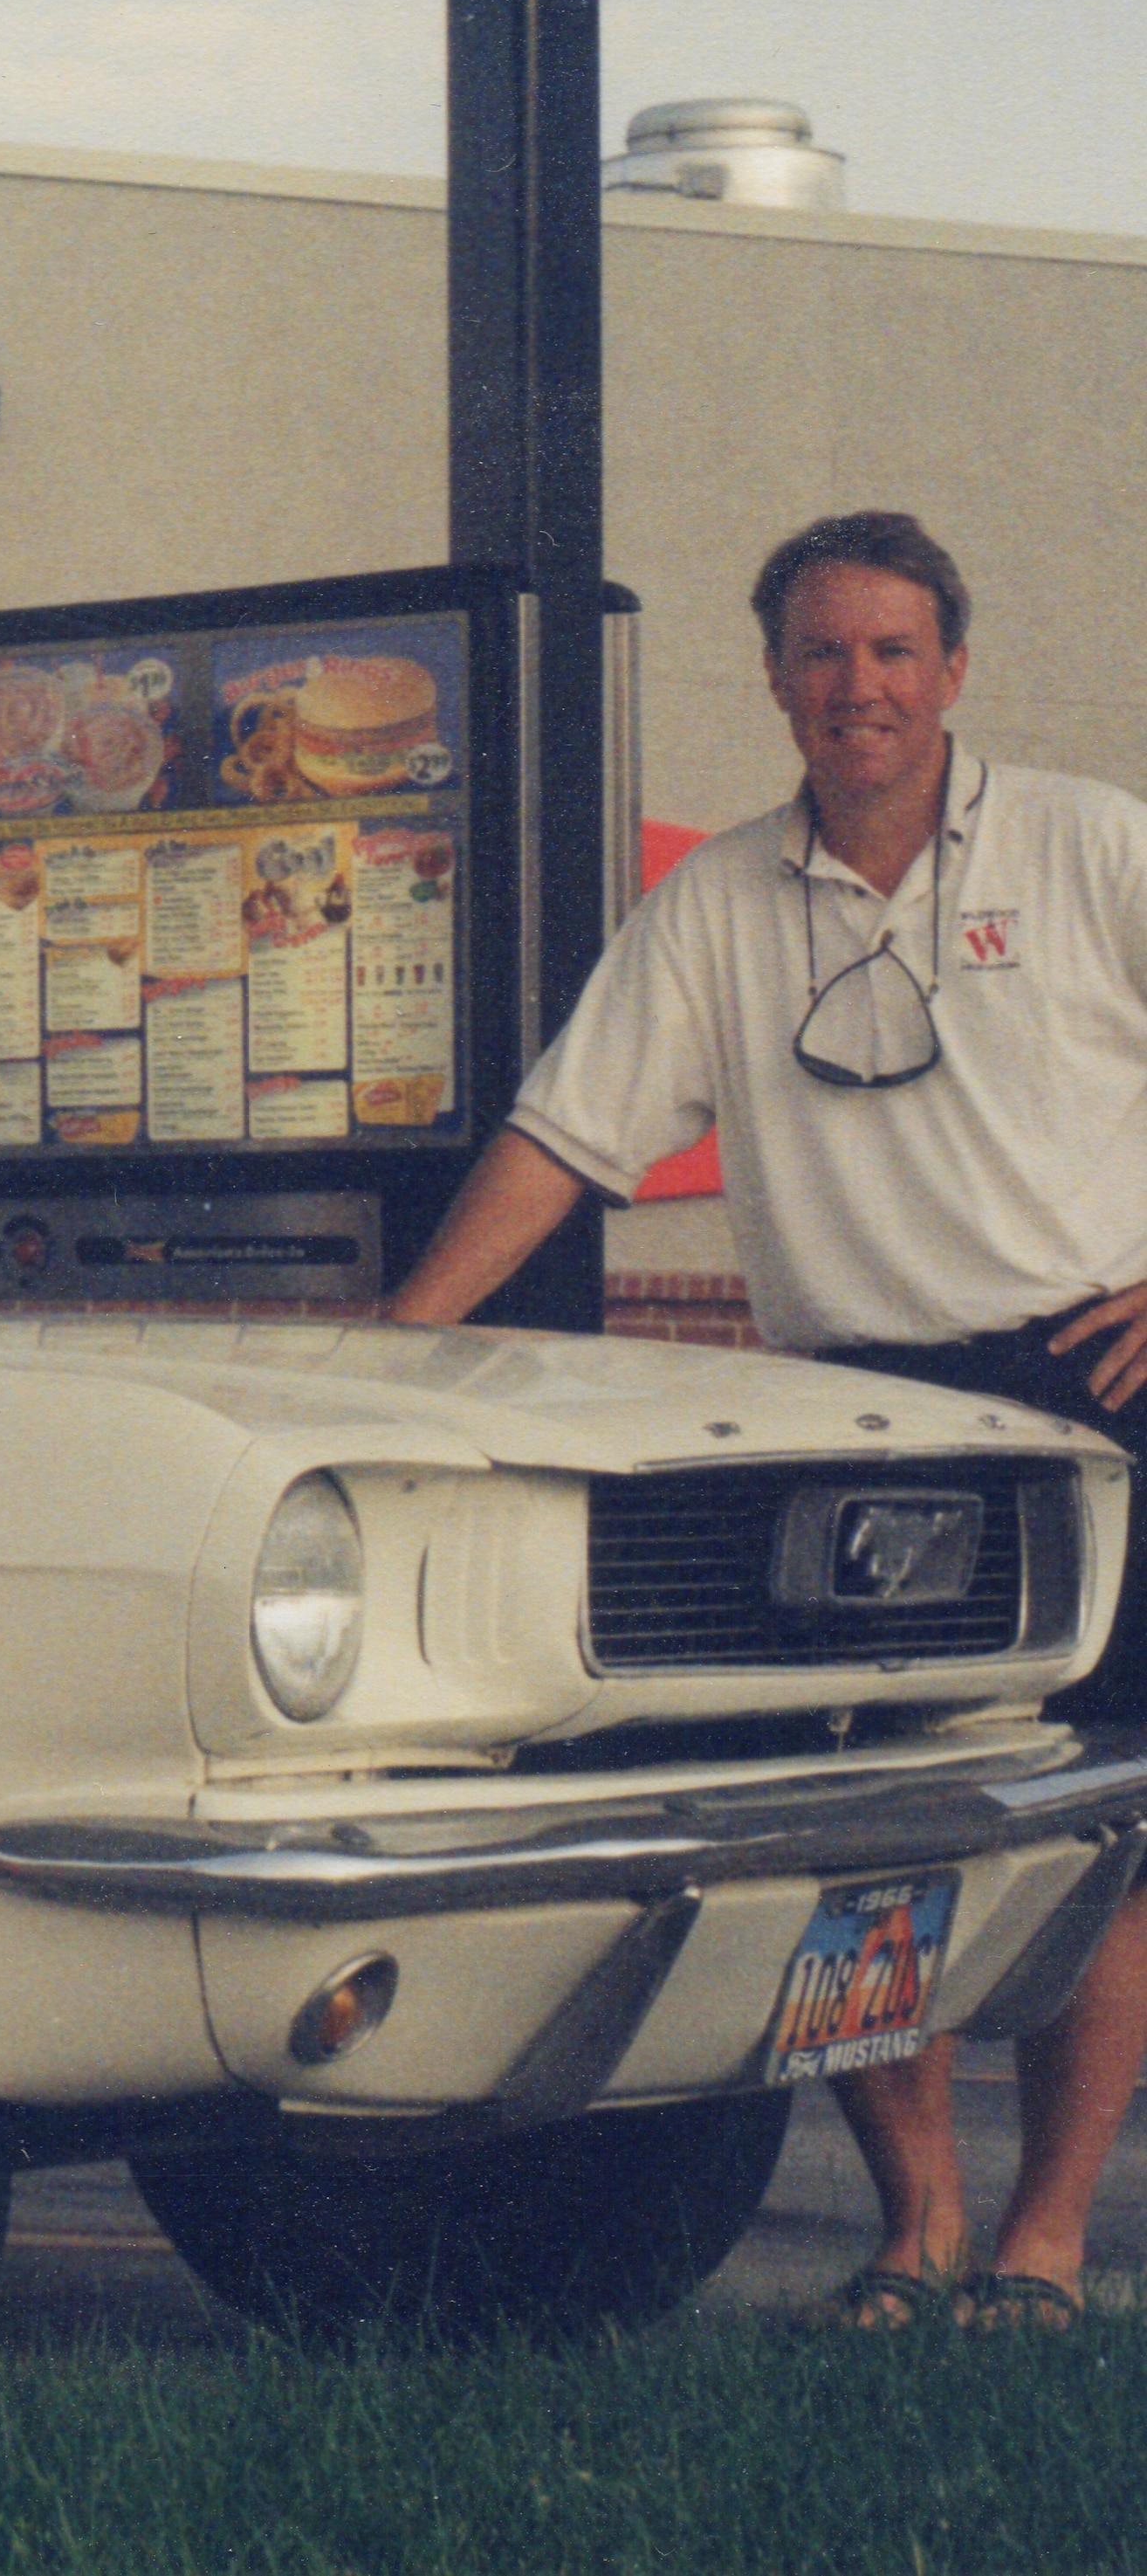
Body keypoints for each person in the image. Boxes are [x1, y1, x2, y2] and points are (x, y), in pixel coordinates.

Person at [388, 509, 1147, 2331]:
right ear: (776, 680)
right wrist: (395, 1342)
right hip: (859, 1418)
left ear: (952, 669)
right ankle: (920, 2224)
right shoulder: (717, 902)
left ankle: (1047, 2236)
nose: (856, 687)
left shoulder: (1086, 842)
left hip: (1088, 1394)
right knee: (848, 1834)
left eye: (892, 651)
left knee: (1107, 1829)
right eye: (822, 653)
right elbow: (564, 1140)